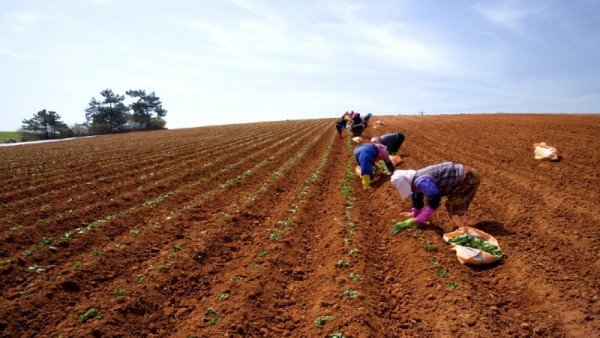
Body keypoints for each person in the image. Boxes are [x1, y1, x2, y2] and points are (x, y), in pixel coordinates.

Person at [391, 162, 481, 228]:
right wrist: (415, 213)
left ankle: (463, 231)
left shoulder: (422, 180)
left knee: (454, 205)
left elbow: (435, 199)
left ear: (407, 181)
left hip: (468, 177)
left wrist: (423, 216)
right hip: (463, 177)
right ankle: (460, 227)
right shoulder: (414, 180)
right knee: (455, 204)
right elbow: (416, 197)